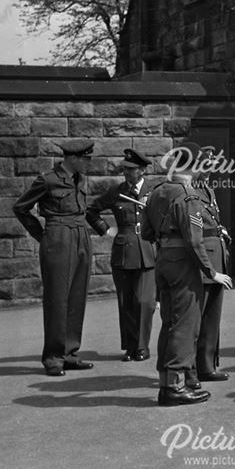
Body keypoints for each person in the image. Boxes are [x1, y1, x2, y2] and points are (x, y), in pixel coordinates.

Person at [141, 142, 232, 406]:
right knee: (184, 326)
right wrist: (211, 272)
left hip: (164, 260)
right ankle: (174, 388)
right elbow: (194, 241)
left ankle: (168, 380)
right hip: (184, 265)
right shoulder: (187, 195)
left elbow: (146, 233)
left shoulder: (158, 192)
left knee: (169, 323)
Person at [13, 140, 107, 376]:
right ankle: (53, 357)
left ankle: (70, 353)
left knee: (77, 296)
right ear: (73, 158)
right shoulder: (48, 180)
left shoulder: (79, 179)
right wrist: (43, 236)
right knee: (57, 298)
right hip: (58, 237)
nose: (89, 163)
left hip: (80, 235)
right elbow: (21, 208)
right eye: (86, 159)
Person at [85, 149, 158, 362]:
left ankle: (142, 346)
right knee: (126, 303)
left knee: (145, 302)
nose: (126, 173)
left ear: (142, 170)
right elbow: (91, 211)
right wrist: (107, 230)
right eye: (124, 169)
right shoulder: (116, 192)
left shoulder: (154, 191)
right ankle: (131, 346)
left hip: (147, 251)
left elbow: (167, 214)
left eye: (131, 169)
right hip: (124, 252)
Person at [191, 146, 233, 383]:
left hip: (217, 254)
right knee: (199, 315)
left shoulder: (207, 189)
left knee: (212, 316)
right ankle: (193, 368)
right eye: (203, 167)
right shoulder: (189, 192)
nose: (207, 172)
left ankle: (206, 366)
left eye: (210, 167)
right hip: (204, 259)